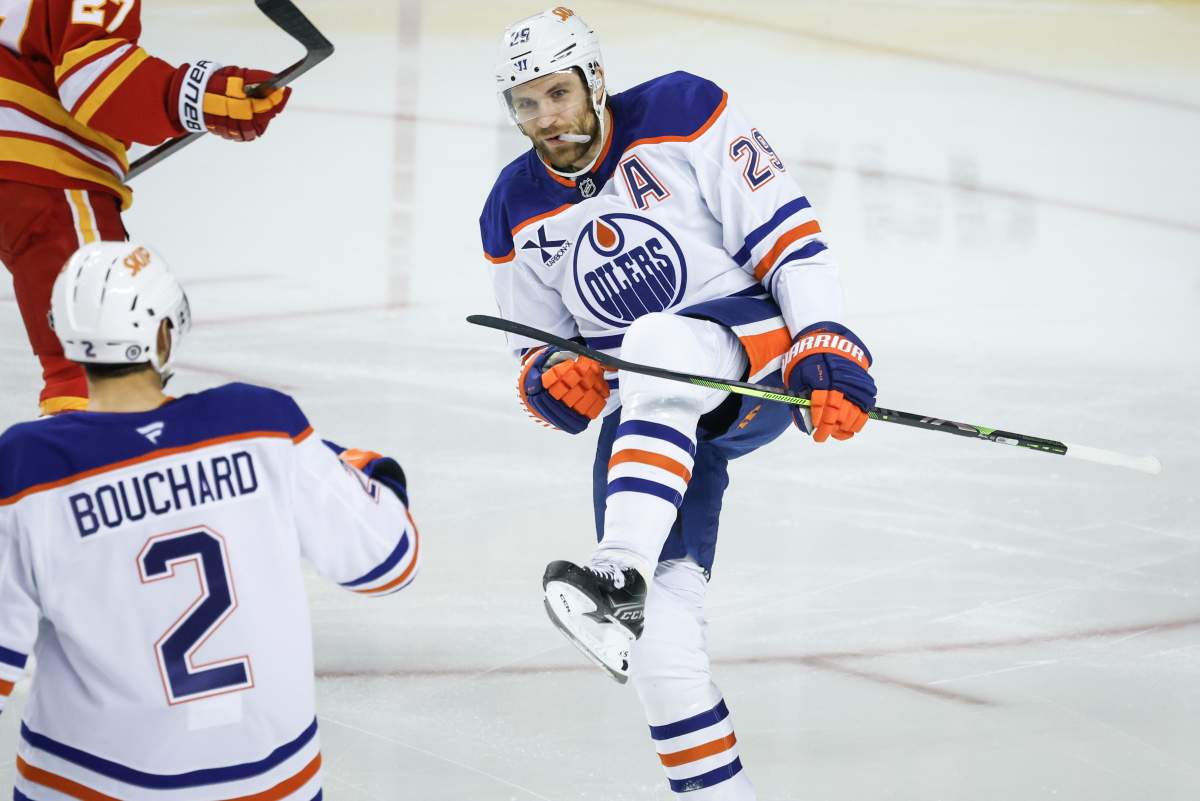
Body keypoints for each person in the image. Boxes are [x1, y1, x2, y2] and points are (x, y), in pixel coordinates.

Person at [479, 7, 877, 798]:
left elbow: (788, 237)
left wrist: (827, 339)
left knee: (658, 337)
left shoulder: (683, 111)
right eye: (525, 103)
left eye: (558, 93)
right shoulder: (512, 206)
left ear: (594, 78)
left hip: (746, 360)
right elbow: (540, 347)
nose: (545, 118)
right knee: (660, 649)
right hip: (651, 424)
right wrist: (553, 378)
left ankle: (614, 569)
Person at [0, 242, 418, 799]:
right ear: (164, 334)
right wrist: (367, 469)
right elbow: (388, 562)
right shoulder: (260, 424)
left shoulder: (27, 467)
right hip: (272, 779)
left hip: (87, 781)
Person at [1, 0, 291, 415]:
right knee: (96, 360)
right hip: (36, 173)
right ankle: (93, 473)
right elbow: (94, 80)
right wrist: (198, 95)